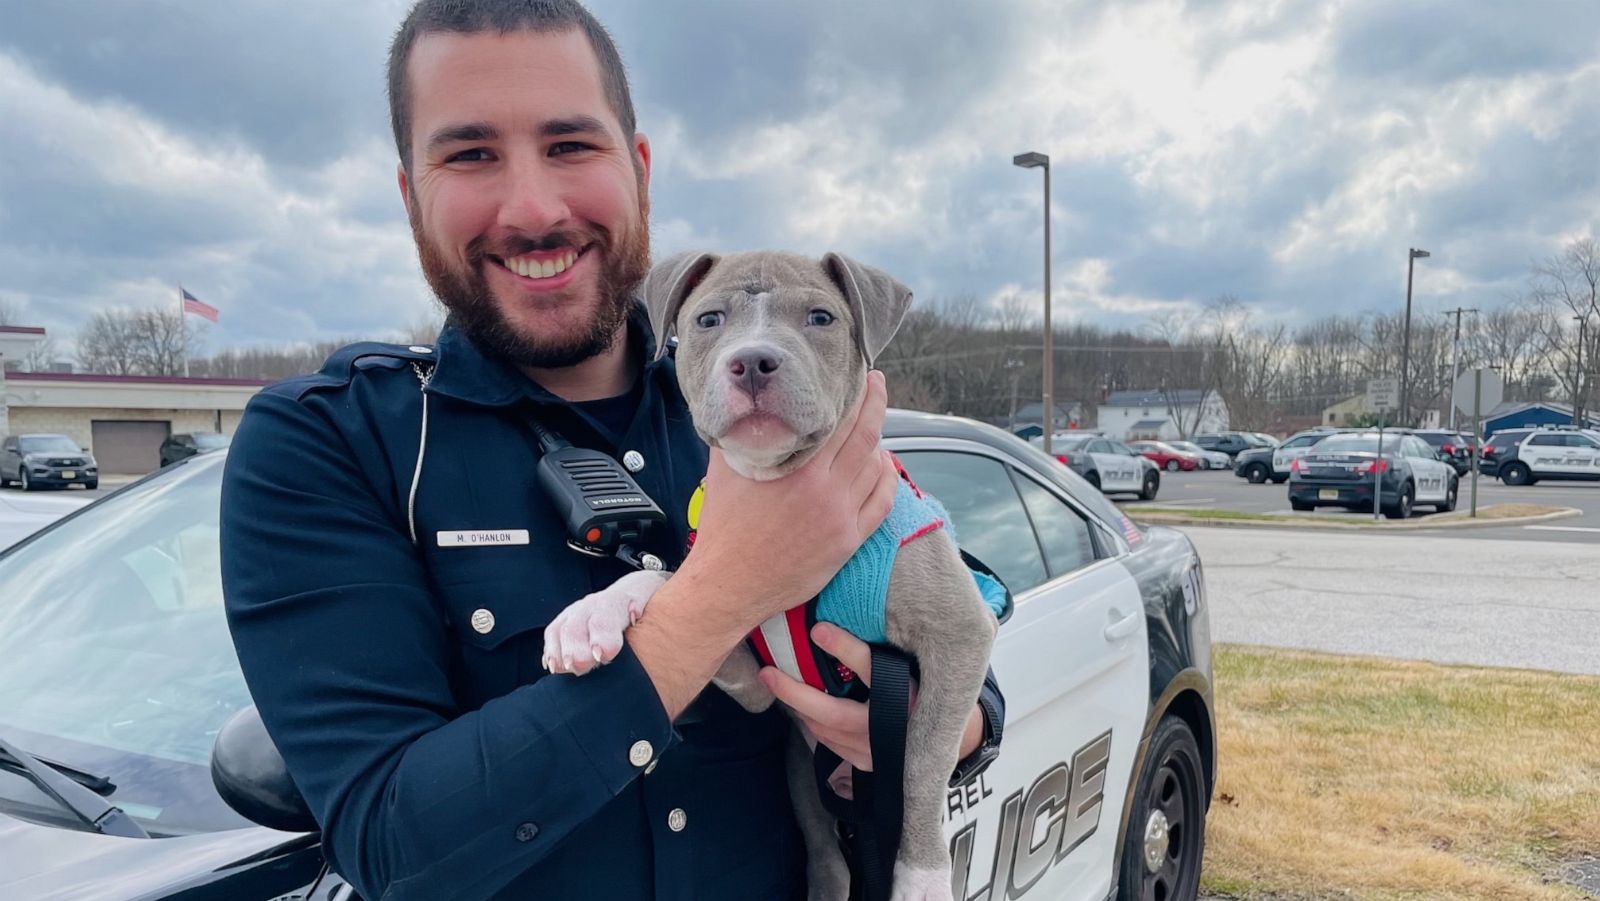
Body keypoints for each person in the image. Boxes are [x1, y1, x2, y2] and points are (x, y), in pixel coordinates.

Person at [220, 2, 1003, 899]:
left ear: (637, 170)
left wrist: (942, 722)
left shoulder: (778, 411)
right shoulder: (330, 443)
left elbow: (955, 628)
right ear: (410, 193)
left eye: (570, 145)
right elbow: (394, 848)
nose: (533, 208)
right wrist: (725, 590)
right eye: (471, 154)